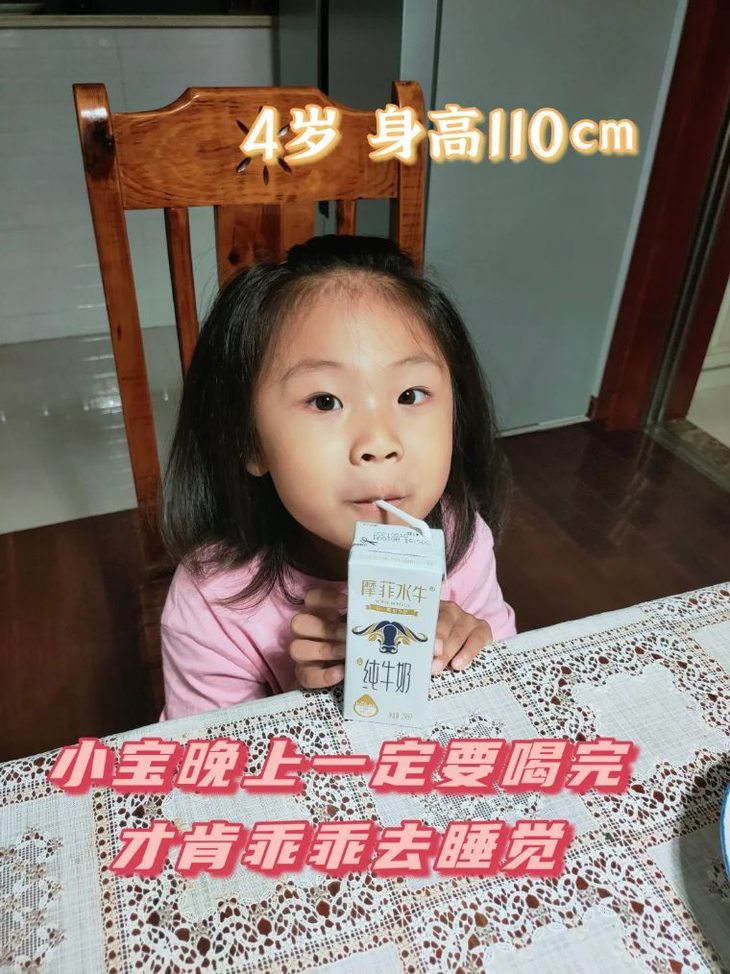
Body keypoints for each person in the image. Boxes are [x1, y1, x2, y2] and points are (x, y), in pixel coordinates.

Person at [160, 234, 516, 720]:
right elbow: (212, 757)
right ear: (248, 439)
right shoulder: (212, 600)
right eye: (325, 401)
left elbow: (504, 694)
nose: (379, 442)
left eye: (410, 395)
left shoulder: (461, 539)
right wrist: (314, 700)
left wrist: (469, 649)